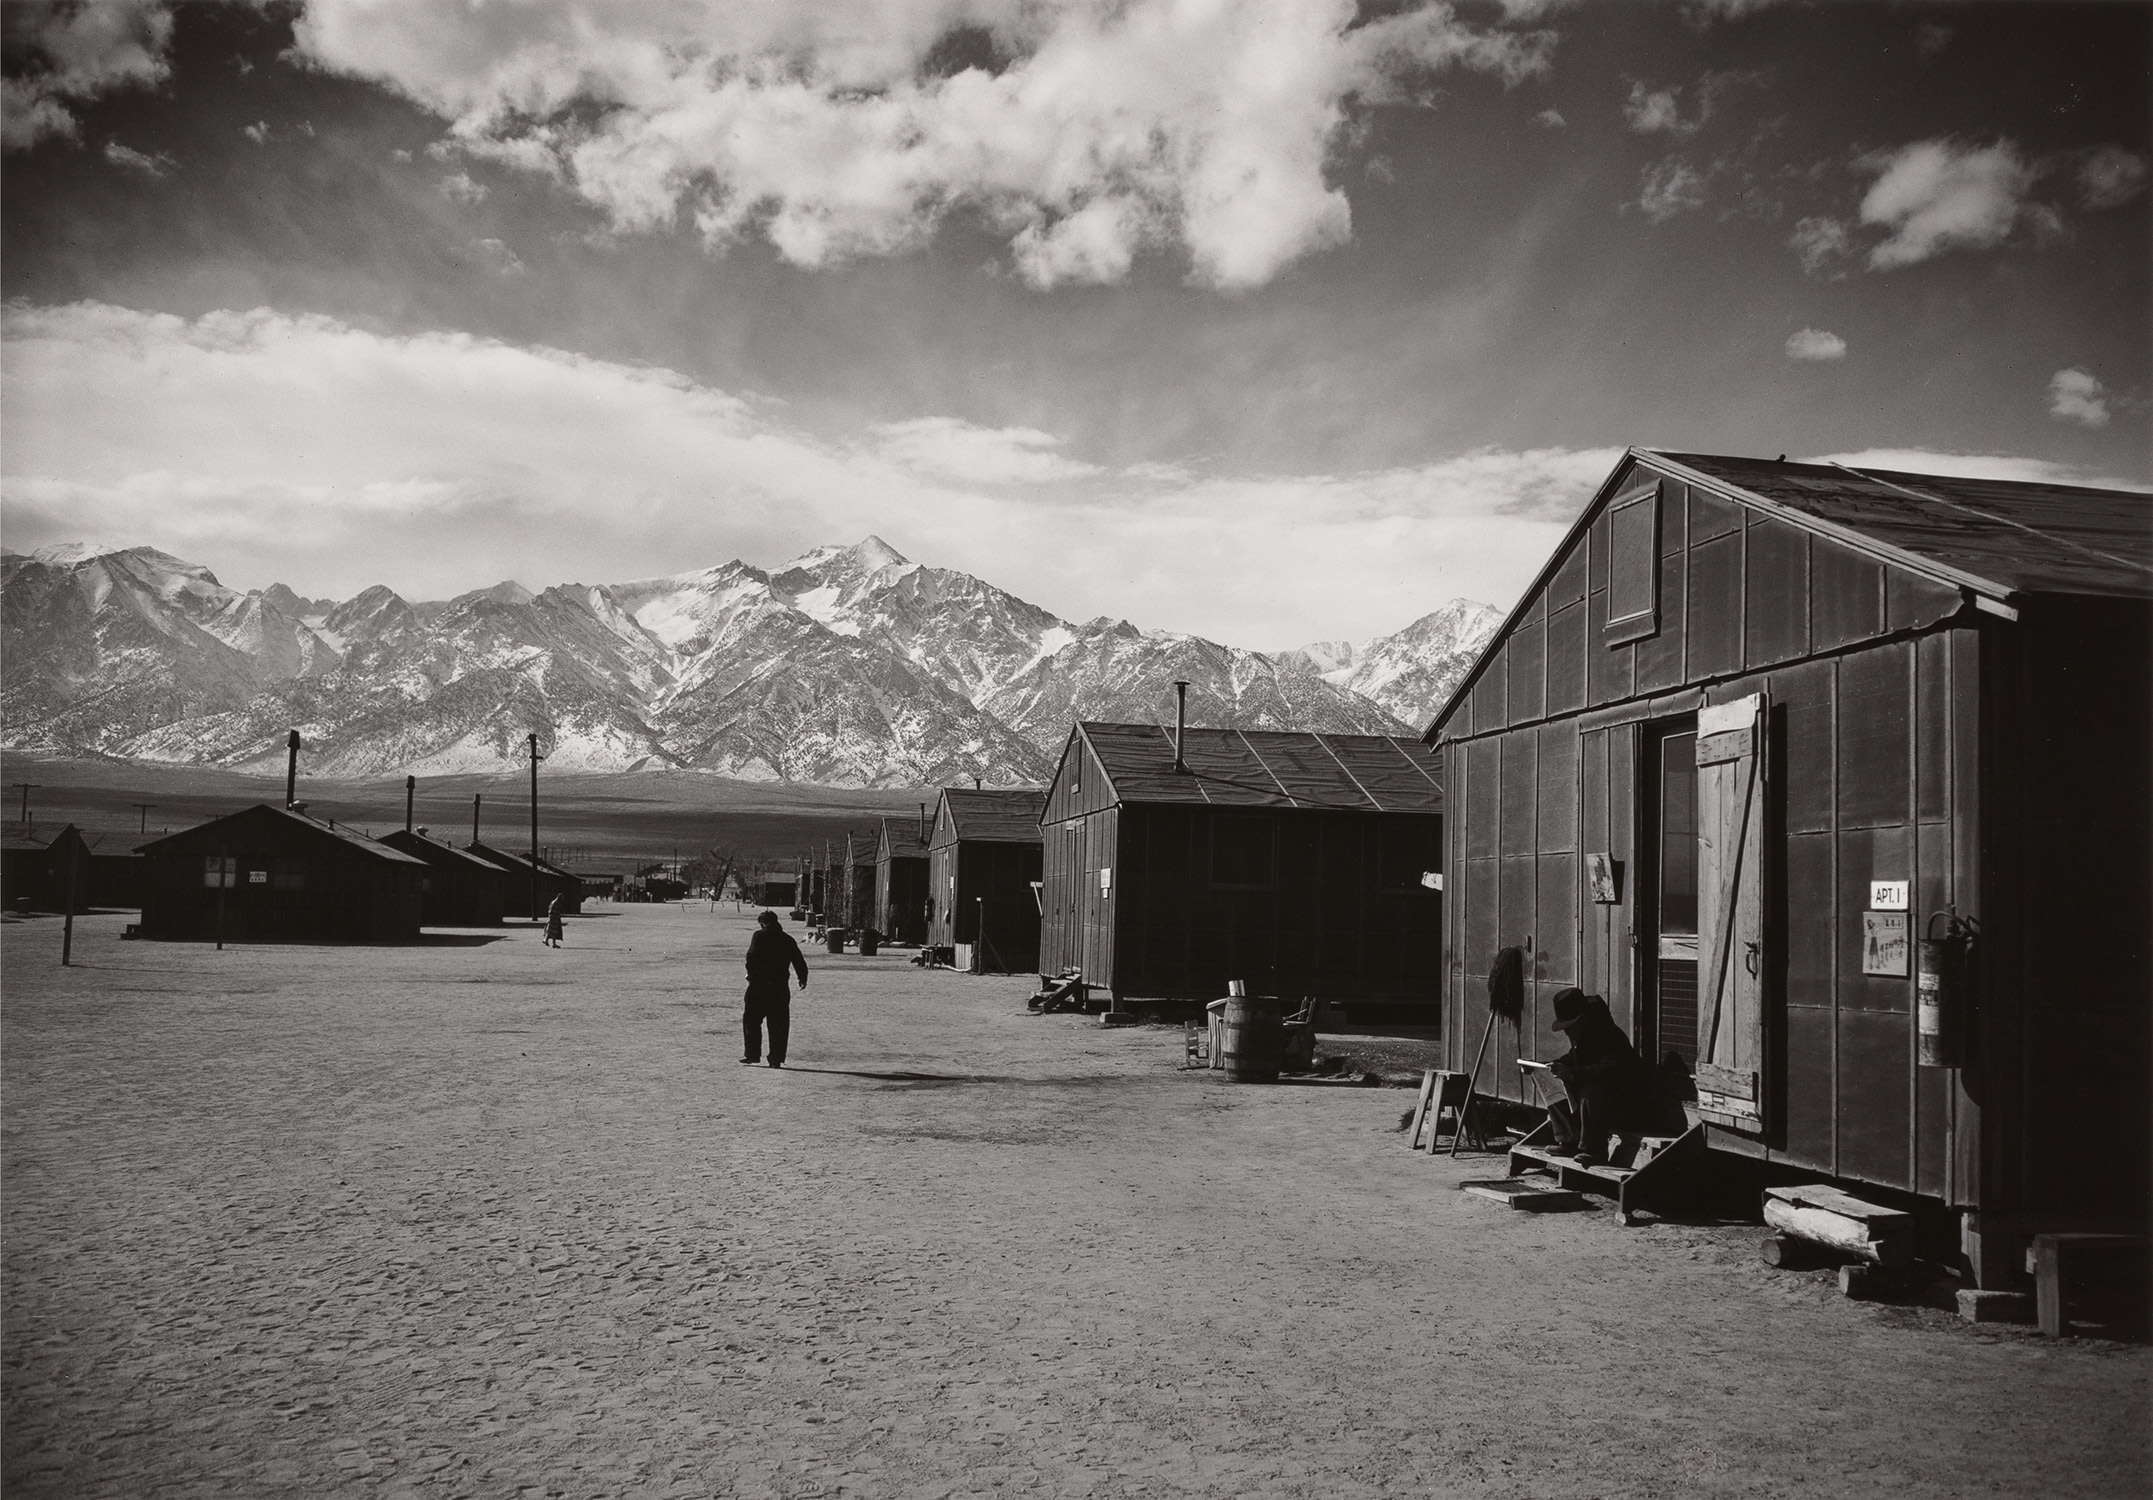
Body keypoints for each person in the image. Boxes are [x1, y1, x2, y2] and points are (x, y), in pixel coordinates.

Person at [1546, 987, 1656, 1164]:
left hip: (1628, 1108)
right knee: (1552, 1084)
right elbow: (1572, 1059)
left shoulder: (1610, 1037)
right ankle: (1569, 1140)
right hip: (1601, 1111)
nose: (1566, 1032)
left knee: (1591, 1092)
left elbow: (1608, 1072)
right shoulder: (1582, 1038)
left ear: (1582, 1021)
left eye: (1569, 1027)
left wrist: (1572, 1073)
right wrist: (1550, 1066)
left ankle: (1594, 1150)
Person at [743, 909, 808, 1068]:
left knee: (751, 1020)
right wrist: (802, 978)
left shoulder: (759, 936)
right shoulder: (787, 939)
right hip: (779, 988)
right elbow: (798, 960)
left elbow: (751, 957)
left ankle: (752, 1054)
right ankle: (776, 1059)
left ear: (762, 923)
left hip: (759, 986)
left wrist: (751, 975)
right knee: (779, 1024)